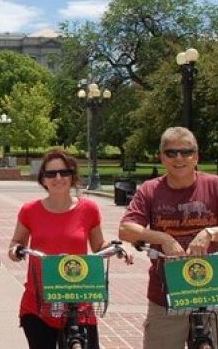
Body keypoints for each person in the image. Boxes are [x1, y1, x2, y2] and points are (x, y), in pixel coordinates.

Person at [118, 126, 218, 349]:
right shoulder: (150, 190)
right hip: (166, 291)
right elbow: (126, 229)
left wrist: (210, 233)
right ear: (162, 157)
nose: (179, 158)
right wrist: (162, 238)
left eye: (186, 152)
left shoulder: (216, 186)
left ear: (196, 157)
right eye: (171, 152)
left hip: (212, 287)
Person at [7, 149, 128, 349]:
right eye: (51, 174)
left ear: (72, 176)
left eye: (64, 173)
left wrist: (116, 248)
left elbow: (99, 246)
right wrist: (16, 251)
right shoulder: (30, 210)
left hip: (78, 299)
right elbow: (15, 243)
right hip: (39, 302)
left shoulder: (88, 209)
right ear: (43, 179)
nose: (58, 178)